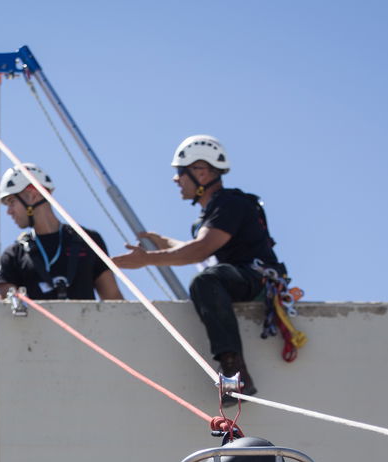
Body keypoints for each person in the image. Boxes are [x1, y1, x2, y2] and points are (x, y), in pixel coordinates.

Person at [112, 135, 284, 400]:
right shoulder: (212, 213)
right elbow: (202, 248)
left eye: (180, 173)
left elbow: (200, 250)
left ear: (201, 172)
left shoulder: (230, 203)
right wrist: (165, 244)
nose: (175, 180)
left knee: (205, 281)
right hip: (238, 276)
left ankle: (234, 370)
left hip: (255, 278)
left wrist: (147, 258)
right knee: (209, 278)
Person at [0, 163, 122, 302]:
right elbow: (2, 309)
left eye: (11, 202)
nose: (9, 211)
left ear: (32, 195)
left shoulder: (88, 241)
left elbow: (113, 300)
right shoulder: (14, 255)